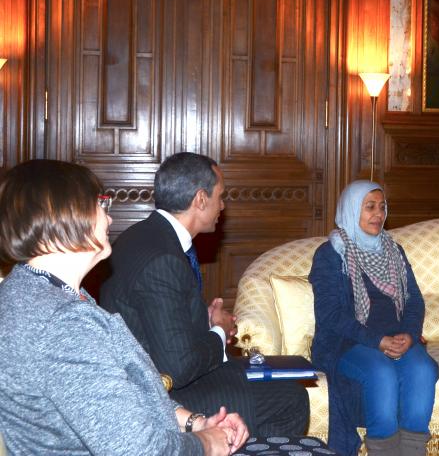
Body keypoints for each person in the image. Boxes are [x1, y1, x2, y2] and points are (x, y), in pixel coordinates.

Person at [0, 159, 248, 455]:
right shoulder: (61, 323)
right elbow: (139, 450)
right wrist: (209, 444)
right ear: (64, 214)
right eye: (100, 204)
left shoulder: (45, 292)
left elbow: (124, 395)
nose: (109, 218)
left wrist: (195, 423)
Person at [100, 152, 309, 437]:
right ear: (200, 199)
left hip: (156, 374)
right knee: (291, 400)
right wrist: (220, 331)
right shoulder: (163, 259)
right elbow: (179, 367)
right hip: (162, 397)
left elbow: (160, 321)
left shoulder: (142, 236)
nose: (223, 206)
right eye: (220, 196)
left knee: (263, 378)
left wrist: (203, 321)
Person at [310, 180, 439, 456]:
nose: (378, 214)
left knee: (423, 369)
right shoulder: (331, 255)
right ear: (351, 210)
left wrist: (410, 334)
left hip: (396, 339)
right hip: (348, 343)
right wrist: (376, 340)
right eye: (369, 207)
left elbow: (414, 300)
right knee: (381, 374)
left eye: (382, 207)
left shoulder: (394, 251)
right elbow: (331, 315)